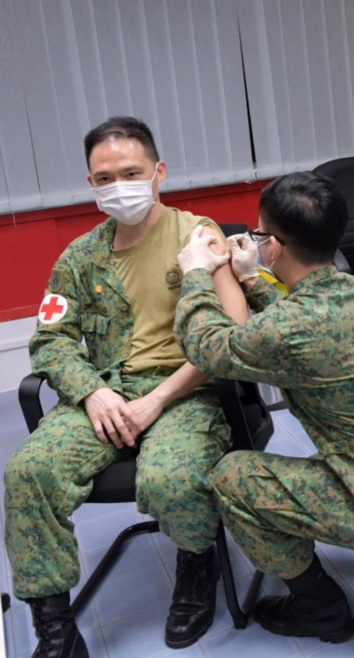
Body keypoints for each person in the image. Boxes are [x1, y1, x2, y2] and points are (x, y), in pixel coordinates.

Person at [173, 172, 354, 645]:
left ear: (276, 245)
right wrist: (252, 278)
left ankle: (320, 608)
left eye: (262, 234)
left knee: (232, 478)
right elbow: (299, 324)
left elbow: (207, 346)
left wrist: (197, 274)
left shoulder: (288, 329)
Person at [3, 117, 248, 658]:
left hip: (185, 389)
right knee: (27, 473)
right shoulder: (79, 257)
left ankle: (195, 562)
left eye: (131, 172)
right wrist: (92, 392)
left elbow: (230, 336)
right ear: (91, 184)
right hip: (107, 390)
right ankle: (56, 626)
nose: (118, 185)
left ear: (158, 172)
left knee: (171, 478)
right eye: (104, 177)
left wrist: (157, 399)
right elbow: (50, 341)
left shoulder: (195, 234)